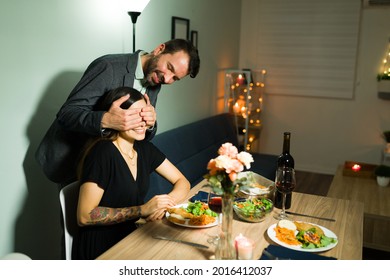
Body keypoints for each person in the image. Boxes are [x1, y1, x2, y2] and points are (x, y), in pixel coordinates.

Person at [35, 39, 200, 186]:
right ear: (159, 49)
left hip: (108, 166)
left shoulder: (156, 80)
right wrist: (106, 120)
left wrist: (150, 125)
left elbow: (142, 134)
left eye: (175, 78)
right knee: (79, 219)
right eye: (169, 68)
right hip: (73, 161)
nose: (167, 79)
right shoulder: (109, 67)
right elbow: (66, 114)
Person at [72, 87, 190, 260]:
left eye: (145, 114)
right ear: (117, 117)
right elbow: (84, 215)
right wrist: (142, 210)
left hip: (133, 236)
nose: (142, 122)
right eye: (134, 116)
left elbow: (182, 181)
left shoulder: (143, 148)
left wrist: (164, 204)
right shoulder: (102, 153)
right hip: (103, 248)